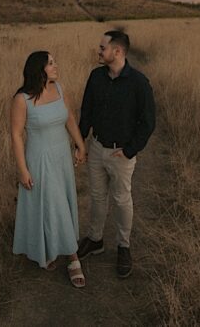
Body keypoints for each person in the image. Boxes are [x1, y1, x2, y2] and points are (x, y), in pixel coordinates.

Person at [77, 30, 156, 279]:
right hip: (98, 148)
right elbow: (86, 112)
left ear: (117, 52)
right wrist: (81, 143)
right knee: (98, 197)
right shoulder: (96, 76)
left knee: (122, 200)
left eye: (102, 48)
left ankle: (123, 246)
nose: (99, 51)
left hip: (122, 154)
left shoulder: (139, 83)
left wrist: (130, 150)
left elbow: (148, 122)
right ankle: (95, 239)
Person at [10, 50, 88, 288]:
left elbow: (70, 119)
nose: (56, 66)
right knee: (50, 203)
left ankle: (54, 248)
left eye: (55, 62)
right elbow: (16, 134)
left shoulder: (60, 89)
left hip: (61, 157)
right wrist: (23, 170)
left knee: (61, 202)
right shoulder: (22, 99)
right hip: (40, 159)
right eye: (51, 63)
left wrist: (80, 145)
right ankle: (73, 258)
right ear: (39, 70)